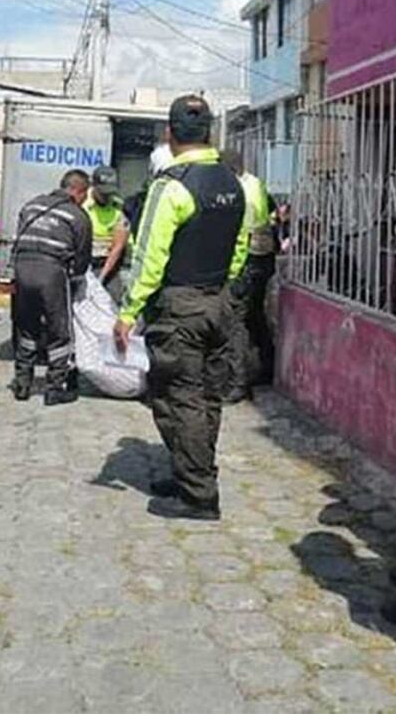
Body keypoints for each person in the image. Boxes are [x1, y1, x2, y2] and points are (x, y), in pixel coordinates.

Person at [113, 95, 247, 521]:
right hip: (219, 302)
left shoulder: (170, 186)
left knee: (177, 398)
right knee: (208, 397)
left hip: (179, 306)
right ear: (210, 131)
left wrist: (129, 310)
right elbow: (241, 245)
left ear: (169, 134)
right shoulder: (234, 182)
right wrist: (220, 287)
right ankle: (192, 471)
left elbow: (150, 256)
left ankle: (198, 494)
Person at [10, 170, 93, 405]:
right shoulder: (77, 215)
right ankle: (55, 387)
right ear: (79, 191)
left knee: (27, 328)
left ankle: (22, 383)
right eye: (85, 194)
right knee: (59, 331)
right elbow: (82, 258)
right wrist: (75, 281)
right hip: (51, 273)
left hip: (22, 271)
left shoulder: (31, 206)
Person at [220, 149, 277, 400]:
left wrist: (232, 273)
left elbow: (241, 236)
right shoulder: (256, 183)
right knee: (254, 316)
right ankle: (267, 367)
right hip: (264, 260)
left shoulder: (239, 191)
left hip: (245, 263)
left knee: (235, 323)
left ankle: (238, 382)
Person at [84, 165, 130, 303]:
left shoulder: (118, 207)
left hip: (107, 264)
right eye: (102, 193)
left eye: (109, 193)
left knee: (116, 301)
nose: (106, 197)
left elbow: (118, 247)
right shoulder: (82, 204)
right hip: (83, 263)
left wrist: (102, 277)